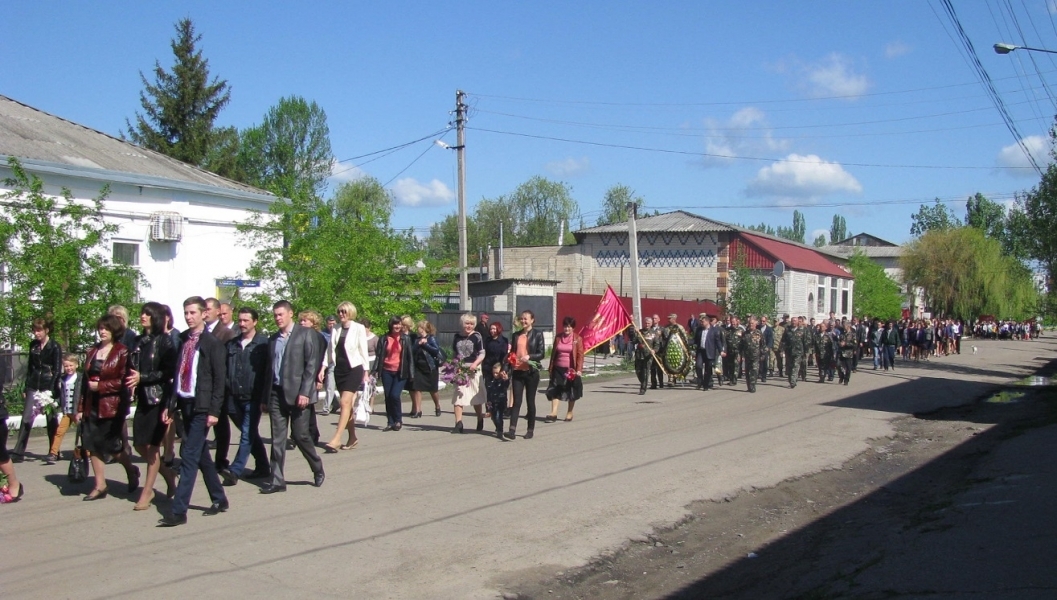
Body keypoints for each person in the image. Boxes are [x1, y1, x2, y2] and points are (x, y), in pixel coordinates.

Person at [158, 297, 228, 526]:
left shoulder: (211, 343)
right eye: (186, 313)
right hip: (185, 403)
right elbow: (176, 376)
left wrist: (214, 411)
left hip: (202, 406)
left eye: (193, 313)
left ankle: (179, 511)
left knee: (188, 455)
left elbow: (219, 380)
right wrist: (170, 405)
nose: (189, 317)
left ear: (203, 314)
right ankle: (219, 498)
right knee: (200, 455)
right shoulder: (182, 340)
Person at [260, 300, 325, 495]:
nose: (277, 318)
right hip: (276, 393)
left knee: (300, 435)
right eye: (275, 315)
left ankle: (317, 466)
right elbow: (268, 371)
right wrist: (265, 397)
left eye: (281, 314)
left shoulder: (306, 334)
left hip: (299, 394)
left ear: (290, 314)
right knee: (277, 438)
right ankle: (277, 479)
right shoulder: (273, 340)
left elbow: (311, 365)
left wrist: (305, 392)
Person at [76, 314, 138, 502]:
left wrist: (101, 386)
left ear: (114, 331)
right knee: (92, 444)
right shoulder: (92, 351)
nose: (102, 332)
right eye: (100, 328)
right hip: (91, 404)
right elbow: (84, 380)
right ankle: (100, 484)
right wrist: (79, 407)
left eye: (106, 329)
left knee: (112, 447)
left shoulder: (122, 351)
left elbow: (124, 380)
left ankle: (131, 469)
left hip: (111, 406)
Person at [128, 302, 178, 511]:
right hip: (142, 399)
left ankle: (147, 492)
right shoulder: (139, 341)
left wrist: (144, 378)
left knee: (153, 448)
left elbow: (168, 373)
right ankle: (167, 473)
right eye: (142, 313)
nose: (143, 317)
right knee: (140, 445)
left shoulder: (165, 341)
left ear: (156, 317)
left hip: (158, 399)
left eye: (147, 314)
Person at [220, 307, 270, 486]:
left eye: (246, 320)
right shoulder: (232, 345)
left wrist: (265, 398)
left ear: (255, 322)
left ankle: (235, 470)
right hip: (234, 397)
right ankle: (263, 466)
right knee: (249, 433)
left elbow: (267, 373)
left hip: (253, 397)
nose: (242, 324)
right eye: (240, 320)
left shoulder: (264, 344)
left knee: (247, 434)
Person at [12, 318, 63, 463]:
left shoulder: (54, 346)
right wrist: (26, 386)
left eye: (39, 330)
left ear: (46, 330)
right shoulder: (33, 345)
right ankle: (18, 452)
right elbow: (31, 368)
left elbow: (57, 370)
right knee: (27, 418)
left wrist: (53, 390)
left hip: (48, 386)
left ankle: (54, 451)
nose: (36, 333)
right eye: (34, 330)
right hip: (34, 384)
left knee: (51, 419)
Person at [325, 302, 369, 452]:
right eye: (339, 311)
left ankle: (336, 438)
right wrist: (323, 367)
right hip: (339, 369)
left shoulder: (359, 328)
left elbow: (363, 349)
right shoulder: (335, 328)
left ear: (350, 312)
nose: (341, 314)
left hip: (354, 368)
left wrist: (366, 371)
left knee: (344, 402)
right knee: (347, 405)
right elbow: (330, 350)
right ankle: (352, 437)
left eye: (344, 311)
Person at [507, 310, 545, 440]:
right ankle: (512, 430)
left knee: (530, 402)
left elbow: (541, 353)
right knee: (516, 401)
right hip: (518, 372)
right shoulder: (516, 335)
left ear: (532, 320)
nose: (523, 321)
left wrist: (530, 356)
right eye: (522, 319)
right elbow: (512, 353)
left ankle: (530, 429)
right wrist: (507, 366)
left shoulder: (538, 334)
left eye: (526, 319)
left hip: (531, 373)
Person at [373, 316, 413, 432]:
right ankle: (390, 422)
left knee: (395, 395)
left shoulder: (405, 339)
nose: (397, 326)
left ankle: (398, 420)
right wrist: (374, 370)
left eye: (399, 324)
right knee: (388, 397)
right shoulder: (384, 339)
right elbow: (379, 356)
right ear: (391, 325)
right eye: (395, 324)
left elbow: (410, 357)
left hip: (400, 372)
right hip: (386, 371)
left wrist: (412, 374)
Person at [451, 313, 486, 433]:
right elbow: (454, 354)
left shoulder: (477, 336)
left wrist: (475, 363)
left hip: (474, 368)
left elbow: (482, 353)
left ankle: (479, 418)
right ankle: (458, 423)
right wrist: (455, 366)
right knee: (458, 396)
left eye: (471, 324)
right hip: (461, 369)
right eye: (467, 323)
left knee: (475, 395)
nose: (469, 326)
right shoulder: (457, 337)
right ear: (462, 324)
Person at [545, 316, 584, 421]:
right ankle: (553, 413)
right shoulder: (558, 337)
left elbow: (580, 355)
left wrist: (579, 370)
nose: (567, 329)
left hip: (571, 370)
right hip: (557, 368)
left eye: (570, 327)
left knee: (571, 391)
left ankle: (569, 412)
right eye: (566, 326)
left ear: (573, 328)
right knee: (555, 389)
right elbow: (554, 353)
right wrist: (551, 368)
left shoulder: (577, 339)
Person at [298, 310, 328, 445]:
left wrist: (319, 378)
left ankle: (310, 434)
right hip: (301, 376)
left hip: (313, 376)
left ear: (313, 322)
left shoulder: (318, 337)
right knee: (304, 406)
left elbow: (320, 359)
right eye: (301, 320)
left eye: (305, 320)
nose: (302, 323)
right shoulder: (298, 335)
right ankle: (306, 433)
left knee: (307, 406)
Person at [48, 354, 81, 462]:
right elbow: (61, 395)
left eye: (71, 365)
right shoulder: (63, 379)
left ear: (77, 365)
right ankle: (53, 453)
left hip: (77, 412)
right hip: (67, 412)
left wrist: (82, 410)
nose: (68, 368)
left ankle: (89, 453)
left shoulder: (80, 378)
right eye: (66, 366)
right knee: (59, 431)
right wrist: (56, 403)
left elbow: (83, 395)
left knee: (83, 433)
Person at [409, 320, 442, 419]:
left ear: (423, 328)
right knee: (417, 389)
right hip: (419, 367)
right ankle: (418, 410)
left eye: (419, 327)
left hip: (430, 368)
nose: (417, 329)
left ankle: (437, 405)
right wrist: (418, 343)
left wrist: (426, 344)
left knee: (433, 390)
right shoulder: (417, 339)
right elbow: (412, 350)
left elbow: (436, 351)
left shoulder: (432, 339)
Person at [486, 362, 511, 441]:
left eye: (497, 373)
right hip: (492, 402)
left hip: (501, 401)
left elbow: (507, 384)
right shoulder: (491, 382)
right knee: (493, 417)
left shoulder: (502, 381)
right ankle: (497, 427)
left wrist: (506, 378)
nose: (495, 375)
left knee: (498, 416)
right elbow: (488, 394)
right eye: (494, 373)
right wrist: (488, 408)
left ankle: (500, 430)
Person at [740, 316, 766, 393]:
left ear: (755, 324)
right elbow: (741, 345)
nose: (750, 325)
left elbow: (763, 345)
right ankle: (749, 386)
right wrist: (741, 355)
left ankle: (753, 385)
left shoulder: (759, 333)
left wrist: (763, 354)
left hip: (756, 356)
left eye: (752, 323)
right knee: (748, 372)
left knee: (754, 371)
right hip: (747, 356)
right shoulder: (745, 333)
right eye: (749, 323)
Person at [784, 317, 808, 389]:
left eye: (795, 321)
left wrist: (805, 352)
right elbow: (783, 340)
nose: (793, 322)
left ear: (798, 322)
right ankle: (791, 380)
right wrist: (782, 349)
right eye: (792, 321)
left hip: (798, 352)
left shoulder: (802, 330)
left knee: (795, 366)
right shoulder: (787, 330)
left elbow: (805, 342)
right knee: (789, 368)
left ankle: (793, 381)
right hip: (789, 352)